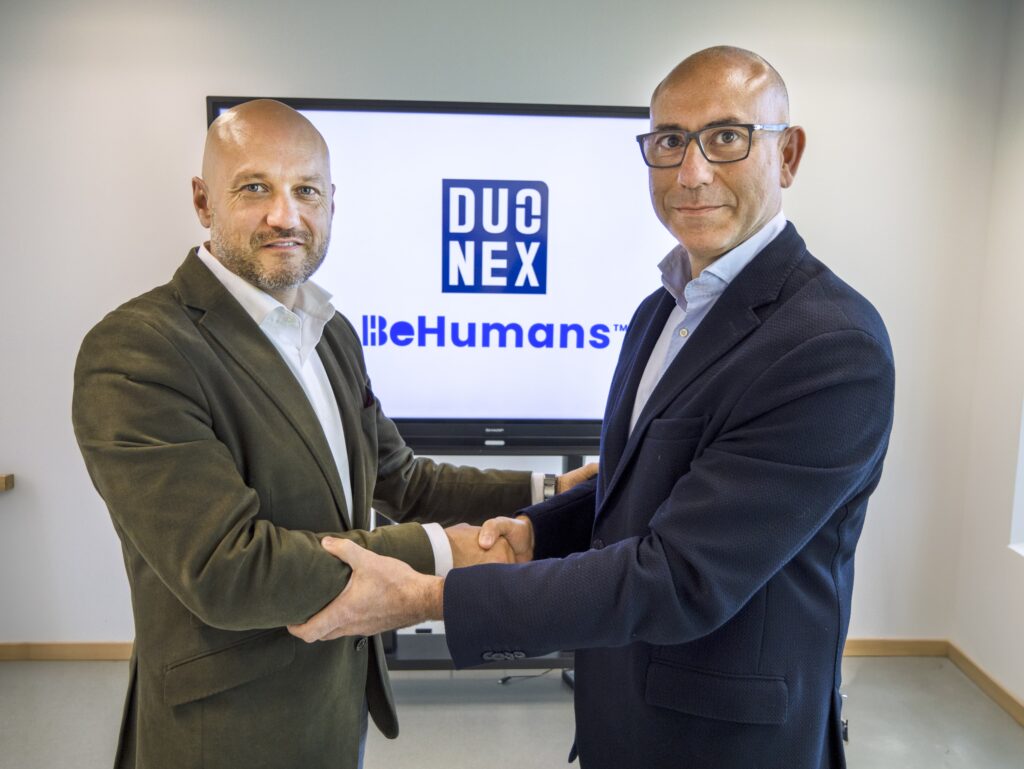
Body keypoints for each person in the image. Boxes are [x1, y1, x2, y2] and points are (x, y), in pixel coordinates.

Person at [289, 46, 896, 769]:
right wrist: (534, 530)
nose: (691, 172)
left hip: (727, 744)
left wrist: (431, 598)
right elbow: (648, 490)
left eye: (727, 137)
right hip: (627, 717)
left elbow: (680, 576)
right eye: (669, 141)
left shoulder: (829, 344)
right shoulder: (659, 312)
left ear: (787, 154)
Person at [72, 99, 592, 769]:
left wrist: (550, 491)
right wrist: (447, 552)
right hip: (225, 732)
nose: (284, 215)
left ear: (332, 203)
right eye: (255, 188)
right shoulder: (140, 349)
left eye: (306, 191)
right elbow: (226, 566)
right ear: (203, 201)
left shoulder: (330, 333)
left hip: (335, 704)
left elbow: (402, 479)